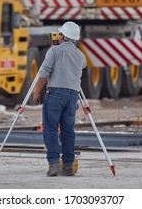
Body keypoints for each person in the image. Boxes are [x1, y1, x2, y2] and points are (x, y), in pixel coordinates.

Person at [32, 21, 86, 176]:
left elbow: (44, 73)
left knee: (50, 129)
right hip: (72, 96)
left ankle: (54, 164)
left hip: (56, 94)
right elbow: (81, 66)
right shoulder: (80, 55)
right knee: (68, 131)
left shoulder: (54, 52)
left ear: (63, 36)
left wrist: (36, 92)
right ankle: (68, 166)